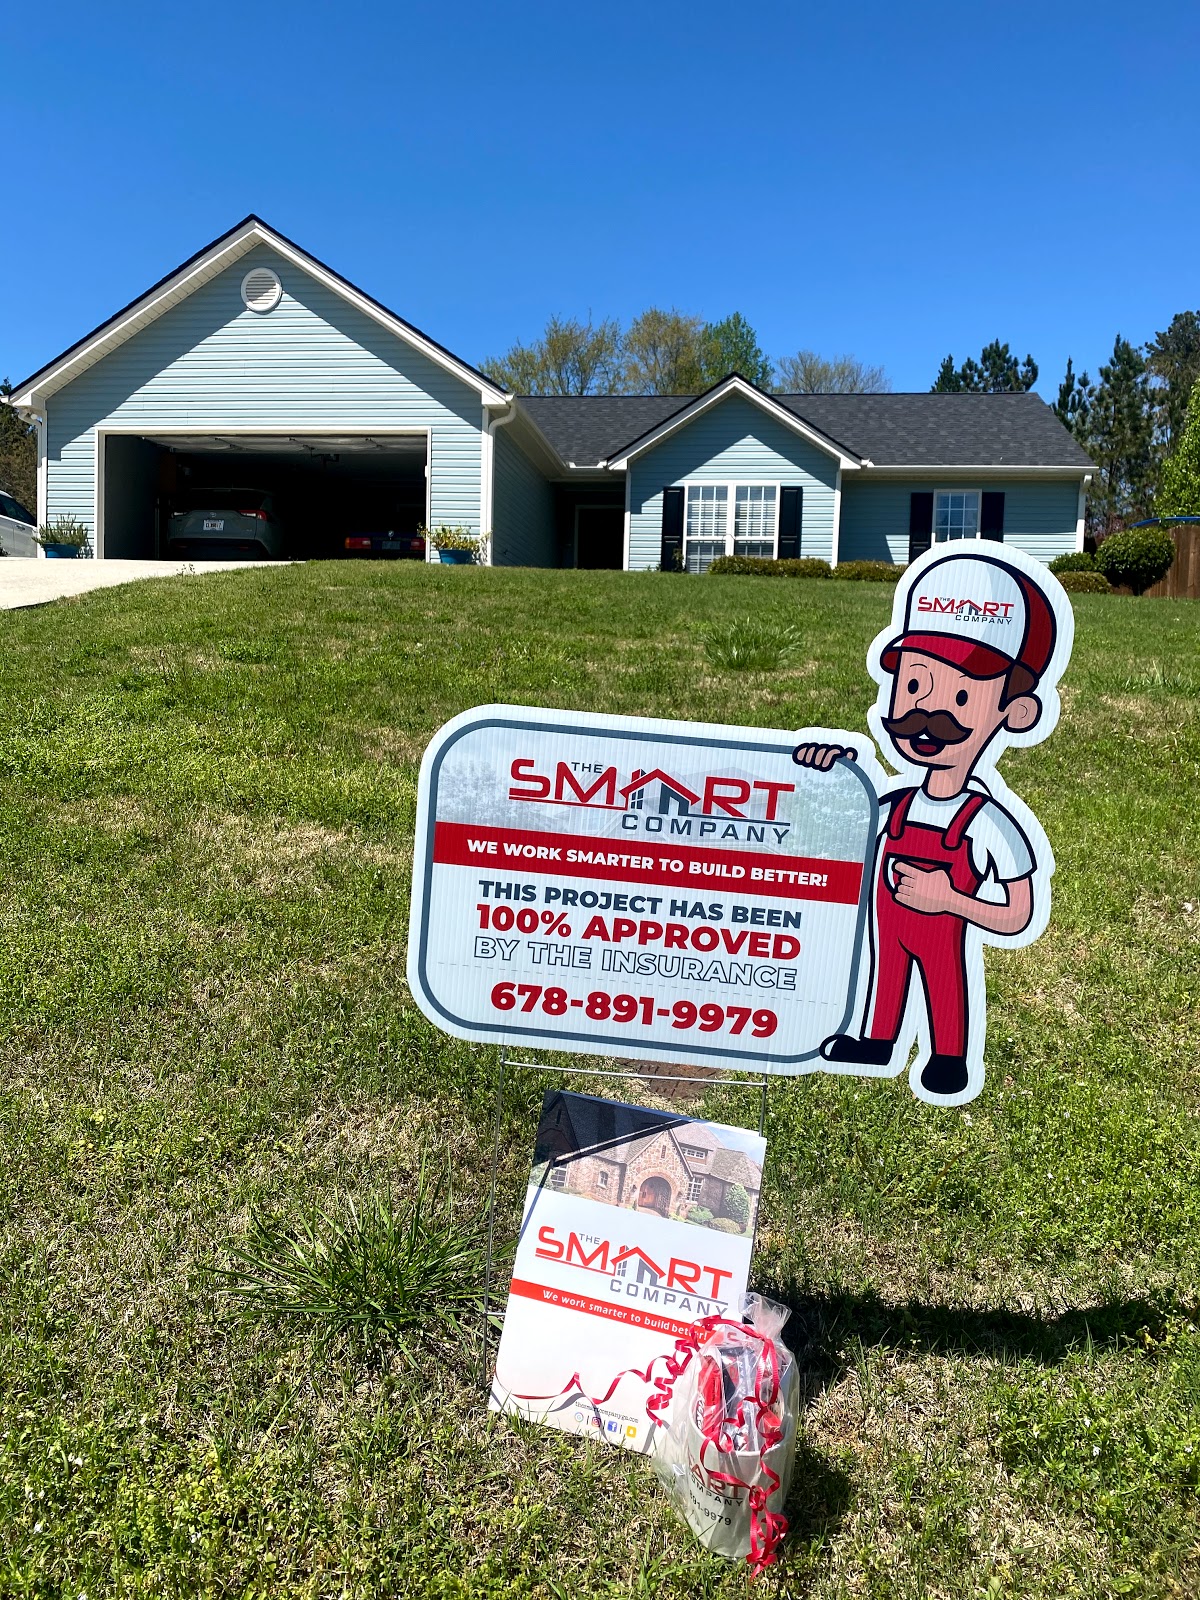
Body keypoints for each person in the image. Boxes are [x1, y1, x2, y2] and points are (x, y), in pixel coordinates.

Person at [794, 548, 1062, 1101]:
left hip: (944, 923)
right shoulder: (885, 805)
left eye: (961, 695)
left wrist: (950, 899)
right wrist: (827, 774)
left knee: (945, 984)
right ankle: (877, 1039)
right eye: (915, 686)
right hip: (888, 926)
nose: (927, 712)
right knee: (886, 974)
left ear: (1016, 714)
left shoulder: (987, 822)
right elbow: (823, 842)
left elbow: (1018, 915)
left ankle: (949, 1057)